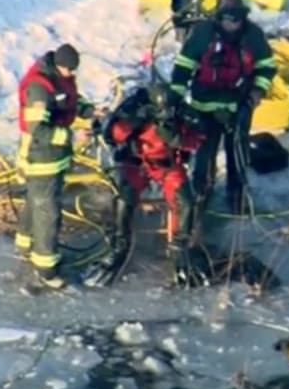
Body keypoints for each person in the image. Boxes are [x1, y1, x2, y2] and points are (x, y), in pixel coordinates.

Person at [86, 83, 208, 288]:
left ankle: (180, 247)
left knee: (185, 201)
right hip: (137, 163)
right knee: (124, 196)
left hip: (167, 165)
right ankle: (120, 245)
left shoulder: (180, 110)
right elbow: (112, 133)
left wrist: (178, 139)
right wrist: (133, 123)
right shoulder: (134, 107)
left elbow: (199, 136)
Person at [170, 0, 275, 215]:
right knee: (203, 154)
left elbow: (266, 66)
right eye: (227, 19)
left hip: (239, 106)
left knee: (237, 153)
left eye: (236, 20)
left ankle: (236, 196)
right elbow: (184, 66)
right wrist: (175, 98)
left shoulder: (253, 36)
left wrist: (258, 91)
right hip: (204, 107)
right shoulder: (202, 33)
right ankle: (200, 195)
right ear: (219, 17)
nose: (232, 24)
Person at [15, 43, 96, 291]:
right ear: (58, 65)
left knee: (36, 201)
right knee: (46, 211)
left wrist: (90, 110)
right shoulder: (40, 87)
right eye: (68, 70)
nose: (71, 75)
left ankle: (25, 243)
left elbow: (68, 99)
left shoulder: (59, 78)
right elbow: (37, 129)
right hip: (41, 157)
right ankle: (46, 269)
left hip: (55, 157)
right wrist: (72, 137)